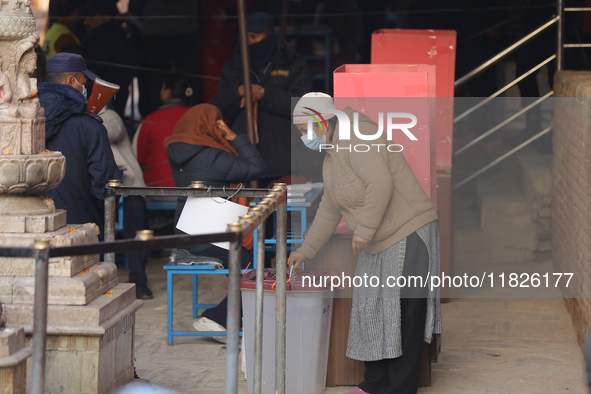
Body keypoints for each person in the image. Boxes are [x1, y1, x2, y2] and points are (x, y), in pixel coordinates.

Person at [288, 93, 441, 394]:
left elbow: (380, 182)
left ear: (323, 122)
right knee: (370, 307)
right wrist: (305, 250)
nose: (304, 137)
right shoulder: (332, 155)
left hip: (408, 229)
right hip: (378, 238)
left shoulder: (360, 133)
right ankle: (374, 384)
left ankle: (399, 388)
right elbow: (330, 208)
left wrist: (364, 229)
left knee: (402, 315)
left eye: (305, 129)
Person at [165, 104, 265, 341]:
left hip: (187, 232)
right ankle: (217, 319)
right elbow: (256, 168)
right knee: (254, 269)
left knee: (247, 265)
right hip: (212, 234)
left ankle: (237, 318)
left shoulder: (177, 151)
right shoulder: (213, 155)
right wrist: (234, 138)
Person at [212, 11, 312, 186]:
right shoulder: (234, 67)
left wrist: (264, 94)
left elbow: (303, 107)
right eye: (245, 37)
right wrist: (239, 92)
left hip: (282, 160)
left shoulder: (293, 64)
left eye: (254, 36)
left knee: (283, 211)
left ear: (270, 34)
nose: (249, 42)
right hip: (243, 159)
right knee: (248, 213)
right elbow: (218, 109)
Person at [39, 53, 121, 239]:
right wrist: (99, 217)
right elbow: (105, 184)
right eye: (83, 83)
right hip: (82, 228)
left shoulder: (25, 121)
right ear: (70, 80)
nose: (85, 89)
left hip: (34, 226)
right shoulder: (89, 126)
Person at [101, 106, 152, 300]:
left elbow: (114, 132)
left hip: (130, 184)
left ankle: (139, 281)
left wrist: (86, 120)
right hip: (100, 187)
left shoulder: (109, 115)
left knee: (135, 221)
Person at [133, 76, 193, 188]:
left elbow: (138, 158)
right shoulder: (199, 117)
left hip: (156, 189)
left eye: (163, 87)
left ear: (168, 91)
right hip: (194, 189)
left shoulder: (150, 120)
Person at [81, 1, 133, 117]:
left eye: (91, 18)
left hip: (102, 100)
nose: (86, 22)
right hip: (117, 98)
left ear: (105, 17)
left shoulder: (95, 39)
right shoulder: (121, 36)